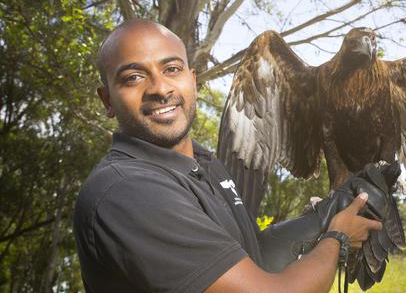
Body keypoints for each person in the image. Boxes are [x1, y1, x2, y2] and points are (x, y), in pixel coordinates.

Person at [73, 19, 383, 292]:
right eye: (133, 77)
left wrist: (322, 219)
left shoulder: (203, 164)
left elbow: (251, 253)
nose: (160, 88)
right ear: (107, 100)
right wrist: (337, 240)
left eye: (172, 69)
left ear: (192, 80)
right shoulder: (128, 191)